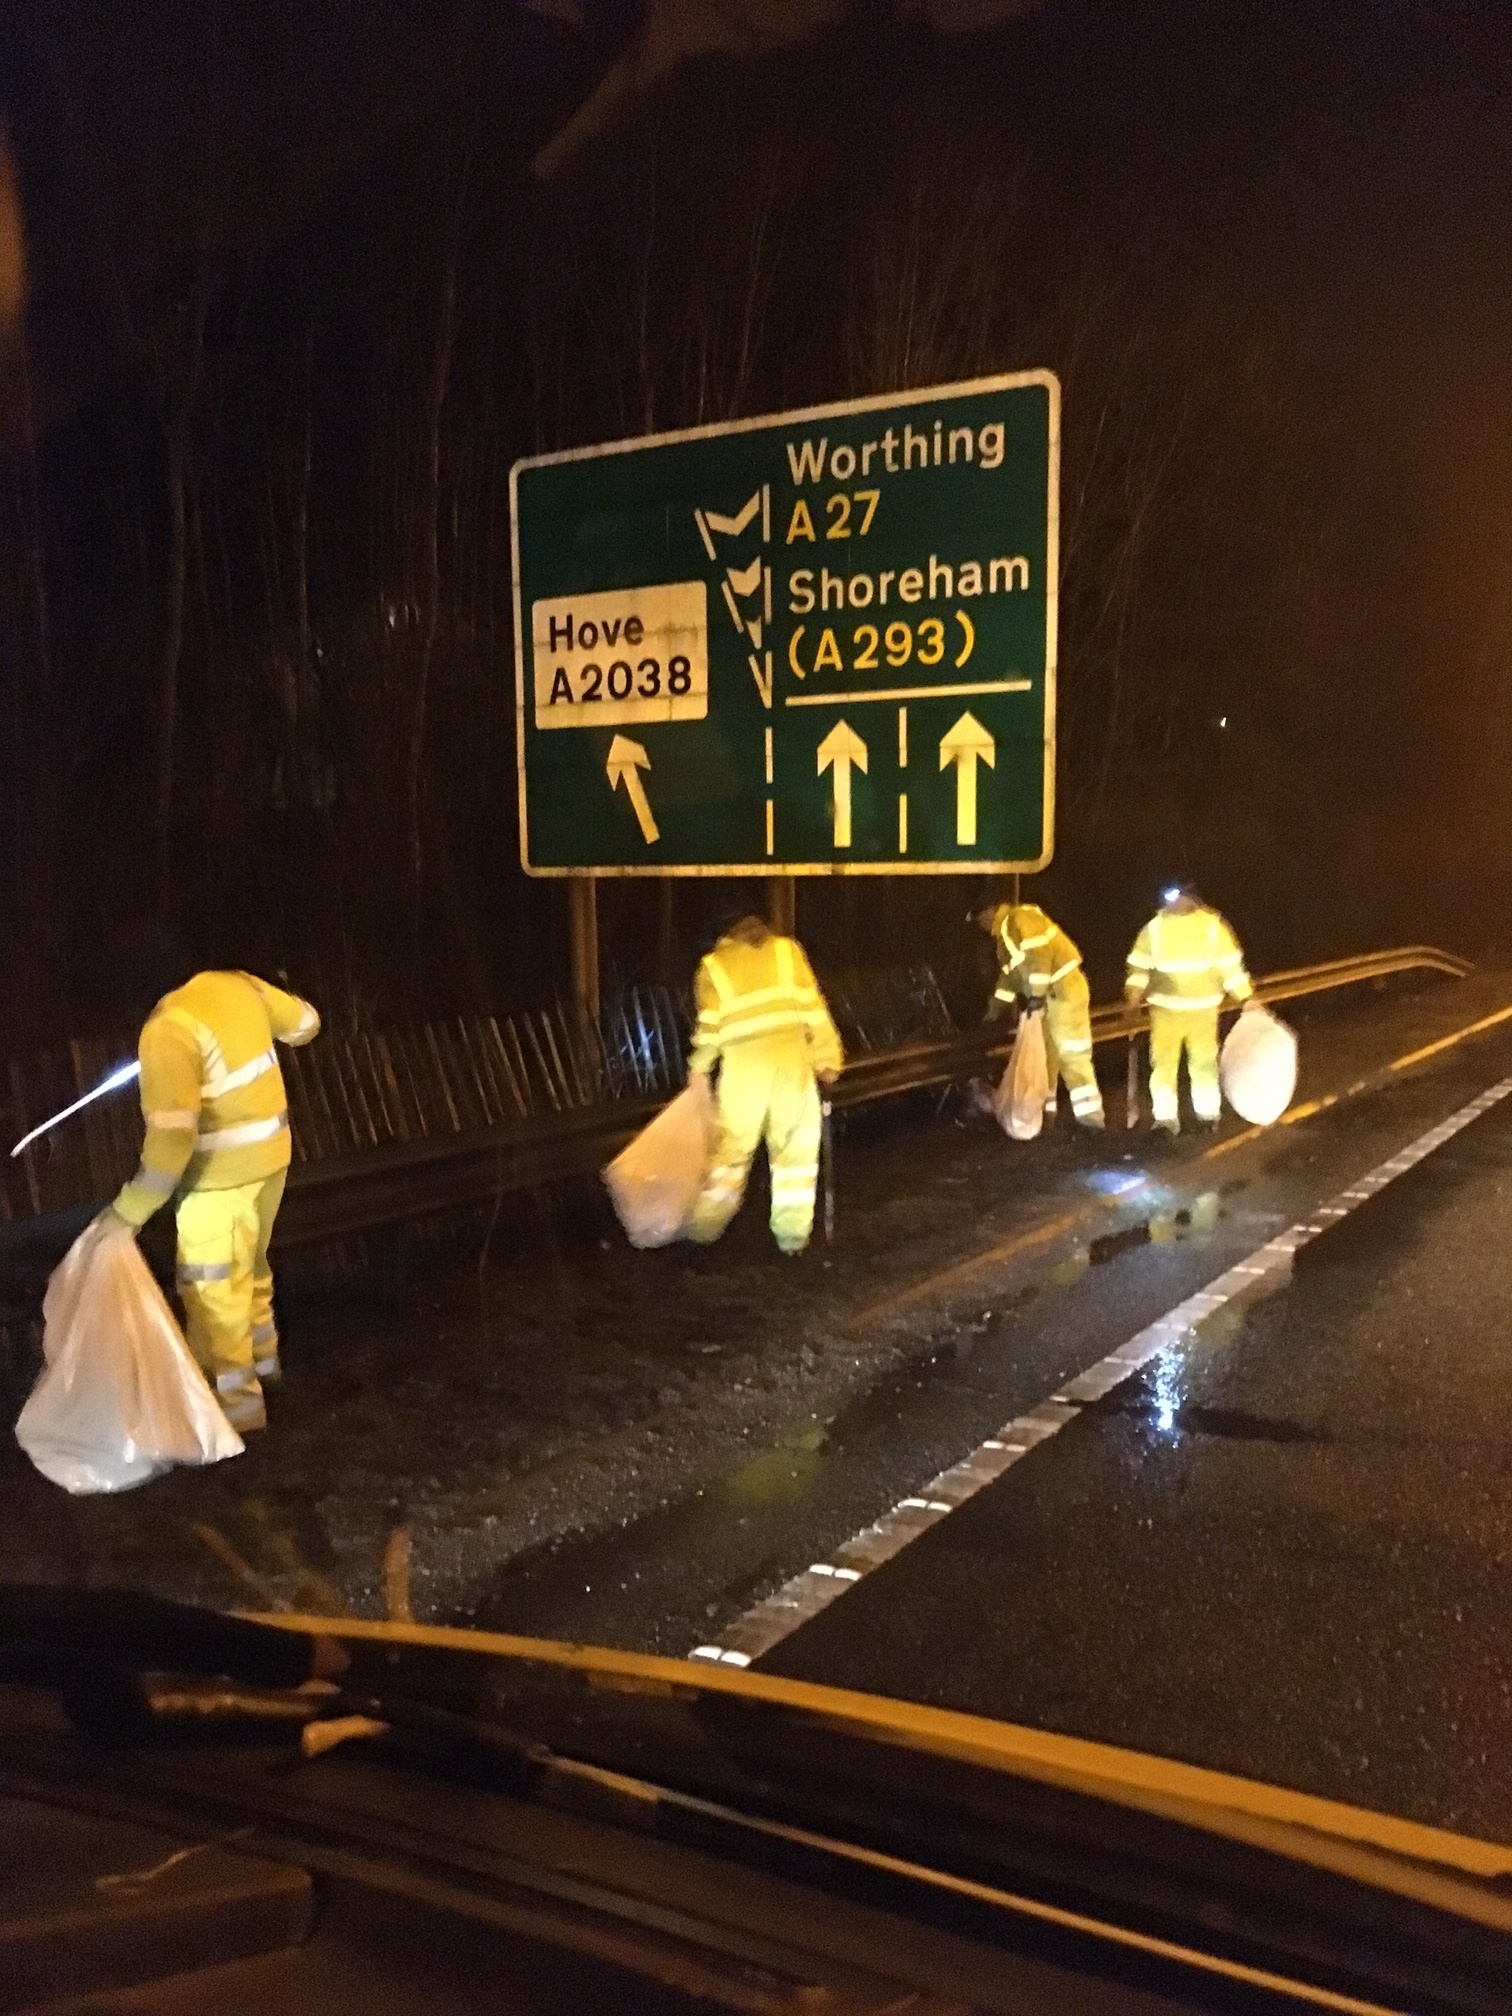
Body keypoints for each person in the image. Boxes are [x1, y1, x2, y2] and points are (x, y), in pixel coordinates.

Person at [106, 964, 320, 1431]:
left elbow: (170, 1146)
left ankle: (238, 1415)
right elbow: (306, 1026)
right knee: (252, 1268)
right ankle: (267, 1369)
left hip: (216, 1183)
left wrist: (129, 1211)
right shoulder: (238, 986)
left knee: (211, 1293)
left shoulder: (167, 1030)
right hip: (271, 1162)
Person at [685, 914, 843, 1255]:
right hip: (792, 1070)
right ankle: (792, 1240)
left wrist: (698, 1068)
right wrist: (828, 1060)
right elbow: (814, 1011)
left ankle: (702, 1230)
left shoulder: (713, 966)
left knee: (731, 1155)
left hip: (743, 1076)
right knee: (795, 1156)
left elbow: (710, 1027)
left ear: (727, 935)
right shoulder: (788, 953)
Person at [1124, 884, 1252, 1135]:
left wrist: (1247, 999)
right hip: (1164, 1011)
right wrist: (1132, 999)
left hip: (1202, 1011)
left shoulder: (1213, 927)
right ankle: (1164, 1121)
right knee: (1163, 1067)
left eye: (1177, 895)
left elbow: (1231, 969)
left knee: (1204, 1066)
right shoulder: (1154, 929)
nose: (1173, 902)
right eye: (1168, 896)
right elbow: (1138, 967)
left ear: (1191, 896)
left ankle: (1207, 1117)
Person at [972, 901, 1105, 1129]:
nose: (980, 925)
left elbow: (1038, 957)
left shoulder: (1020, 919)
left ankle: (1091, 1121)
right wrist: (993, 1012)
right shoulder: (1004, 939)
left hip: (1063, 991)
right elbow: (1009, 980)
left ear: (990, 910)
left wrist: (1036, 994)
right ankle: (1047, 1116)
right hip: (1048, 997)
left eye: (979, 918)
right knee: (1045, 1058)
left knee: (1072, 1055)